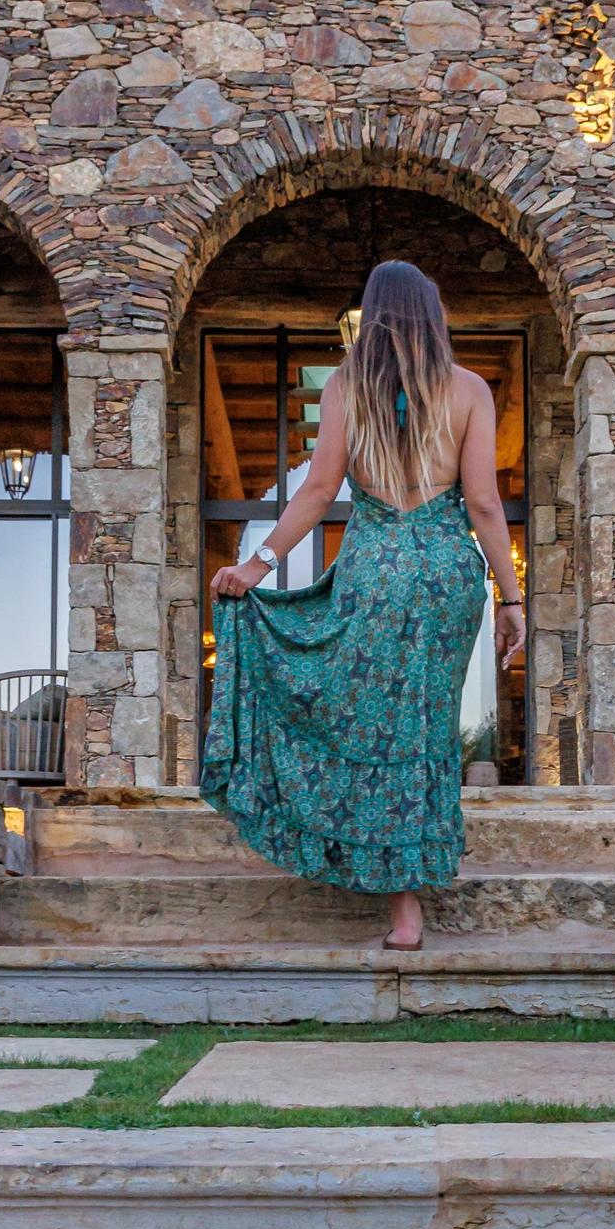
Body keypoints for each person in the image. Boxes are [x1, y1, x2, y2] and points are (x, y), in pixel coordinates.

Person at [203, 258, 528, 950]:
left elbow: (318, 492)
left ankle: (385, 887)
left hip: (374, 566)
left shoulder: (348, 388)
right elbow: (484, 503)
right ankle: (409, 893)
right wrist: (512, 596)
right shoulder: (469, 389)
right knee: (424, 726)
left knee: (363, 720)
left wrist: (256, 566)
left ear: (373, 314)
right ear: (432, 313)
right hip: (445, 573)